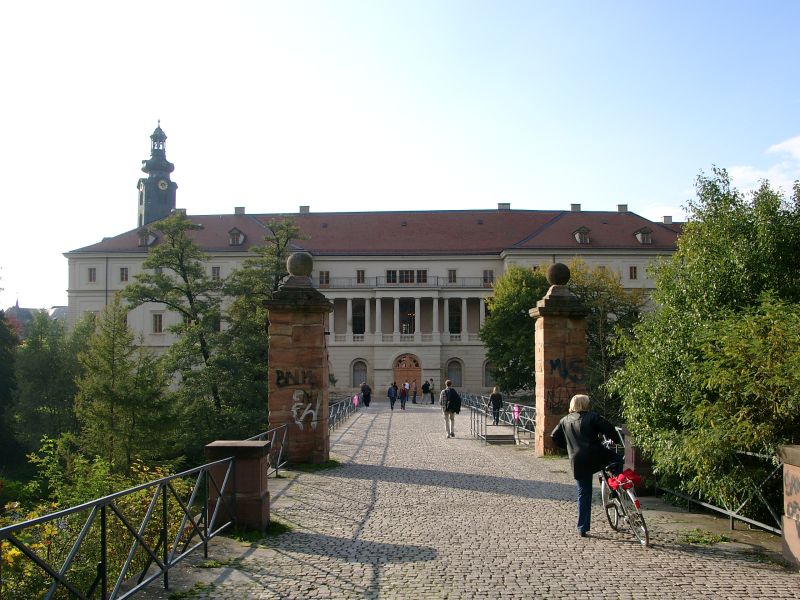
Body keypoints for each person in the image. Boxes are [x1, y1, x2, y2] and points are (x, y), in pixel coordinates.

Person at [550, 394, 623, 538]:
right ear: (585, 404)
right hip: (596, 454)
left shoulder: (564, 420)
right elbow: (609, 429)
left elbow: (554, 436)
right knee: (617, 460)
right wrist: (616, 440)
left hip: (577, 459)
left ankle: (582, 527)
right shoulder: (592, 416)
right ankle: (615, 488)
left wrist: (569, 447)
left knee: (584, 493)